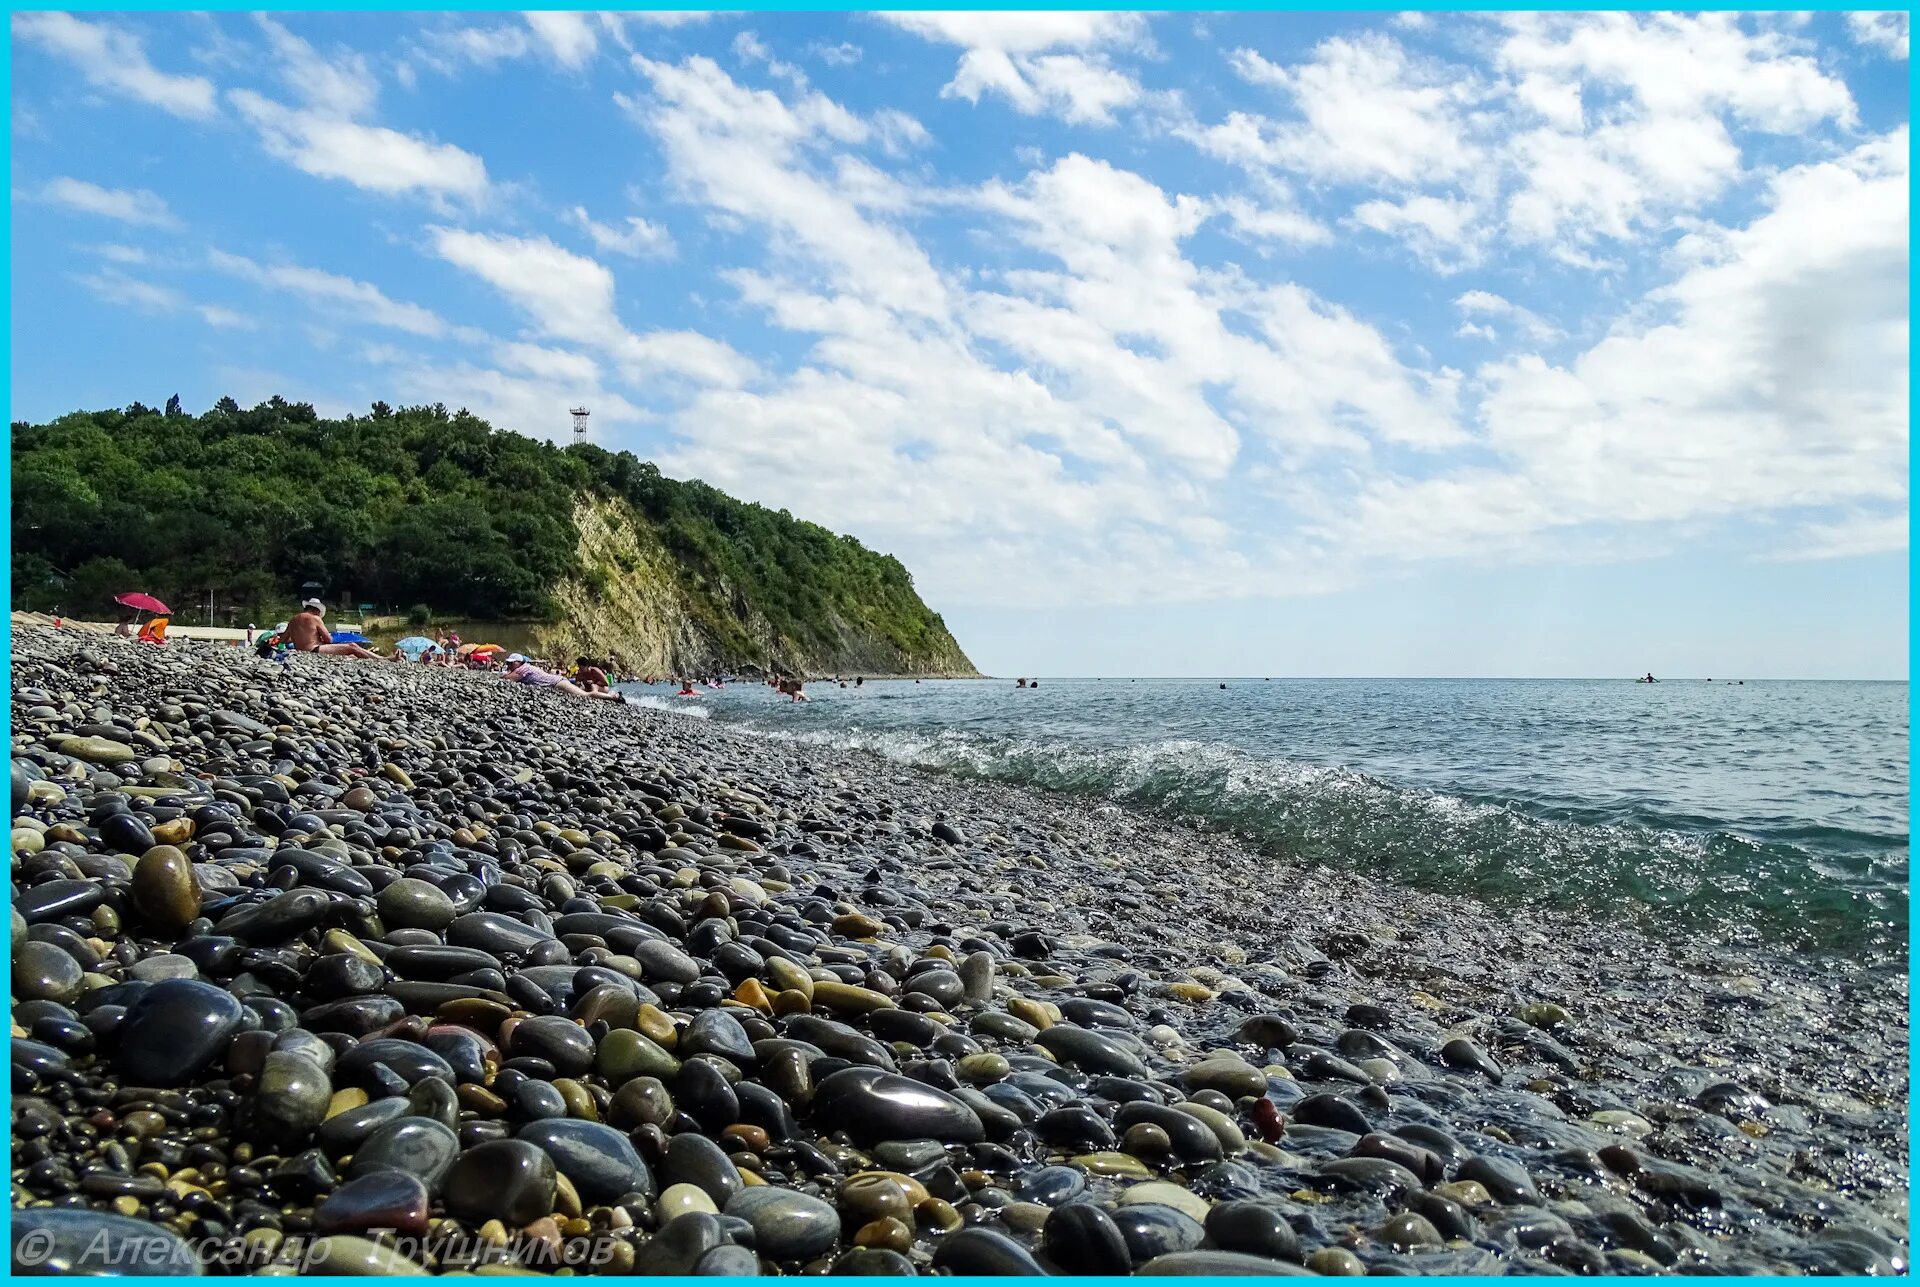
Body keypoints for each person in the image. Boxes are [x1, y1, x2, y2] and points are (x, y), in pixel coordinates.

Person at [286, 599, 380, 660]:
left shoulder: (292, 620)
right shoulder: (315, 618)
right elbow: (329, 639)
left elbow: (283, 640)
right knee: (352, 646)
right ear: (317, 611)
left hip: (301, 652)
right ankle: (383, 659)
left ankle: (379, 658)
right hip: (313, 650)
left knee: (350, 655)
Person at [505, 653, 623, 701]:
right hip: (559, 682)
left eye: (511, 663)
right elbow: (577, 681)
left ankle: (614, 697)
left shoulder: (523, 668)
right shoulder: (580, 673)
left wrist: (592, 681)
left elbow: (606, 683)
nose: (509, 665)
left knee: (587, 694)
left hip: (600, 687)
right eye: (507, 663)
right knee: (584, 691)